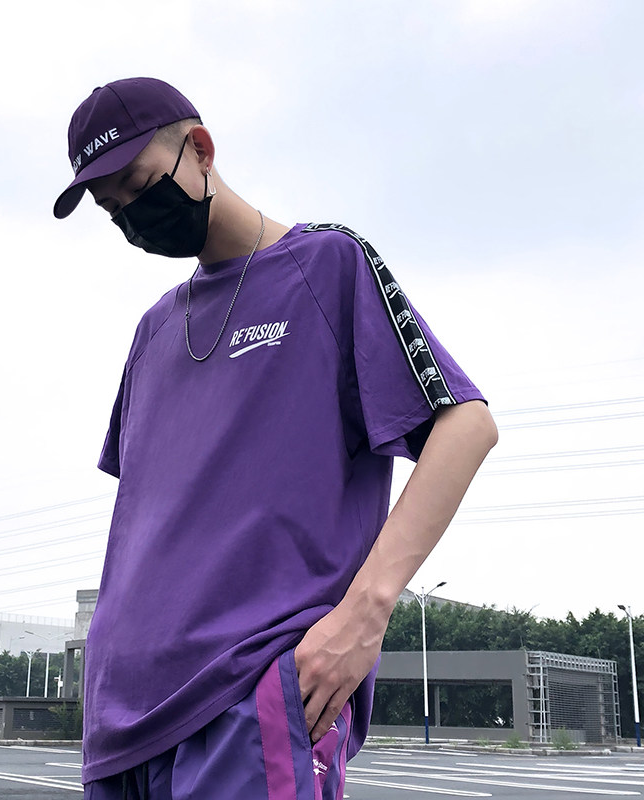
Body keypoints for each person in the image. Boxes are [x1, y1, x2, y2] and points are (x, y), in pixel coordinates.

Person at [54, 77, 498, 800]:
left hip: (246, 697)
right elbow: (149, 523)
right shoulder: (153, 331)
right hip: (118, 720)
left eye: (136, 184)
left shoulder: (327, 266)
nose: (132, 216)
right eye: (112, 209)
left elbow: (466, 426)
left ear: (200, 150)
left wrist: (363, 617)